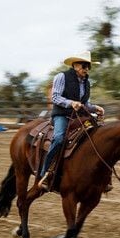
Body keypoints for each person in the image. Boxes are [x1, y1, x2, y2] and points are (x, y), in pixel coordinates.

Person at [38, 51, 105, 190]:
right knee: (59, 138)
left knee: (95, 136)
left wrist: (95, 108)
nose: (86, 69)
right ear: (75, 65)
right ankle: (44, 172)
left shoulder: (87, 83)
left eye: (88, 66)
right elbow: (55, 97)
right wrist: (70, 103)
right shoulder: (61, 77)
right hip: (61, 115)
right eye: (84, 65)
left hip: (78, 116)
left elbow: (85, 104)